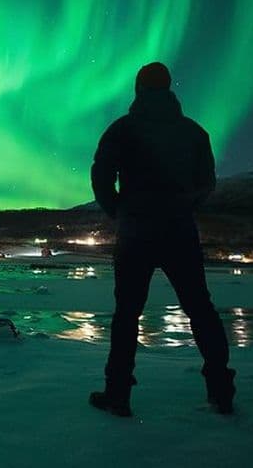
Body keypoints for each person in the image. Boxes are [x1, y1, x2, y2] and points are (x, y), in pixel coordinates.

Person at [88, 62, 236, 417]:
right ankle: (221, 391)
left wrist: (119, 211)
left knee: (127, 315)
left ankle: (118, 394)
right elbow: (207, 183)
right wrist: (183, 207)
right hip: (179, 231)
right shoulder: (193, 133)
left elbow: (101, 177)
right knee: (201, 310)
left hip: (135, 233)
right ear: (169, 88)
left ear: (138, 89)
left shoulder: (122, 130)